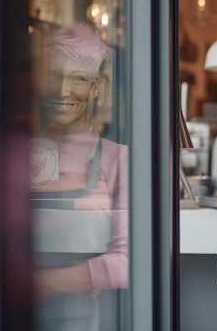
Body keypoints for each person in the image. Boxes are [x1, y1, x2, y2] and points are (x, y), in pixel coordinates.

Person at [31, 23, 128, 330]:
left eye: (76, 79)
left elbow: (130, 260)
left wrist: (41, 283)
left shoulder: (119, 160)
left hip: (86, 318)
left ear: (95, 86)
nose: (63, 91)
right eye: (54, 76)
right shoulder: (14, 154)